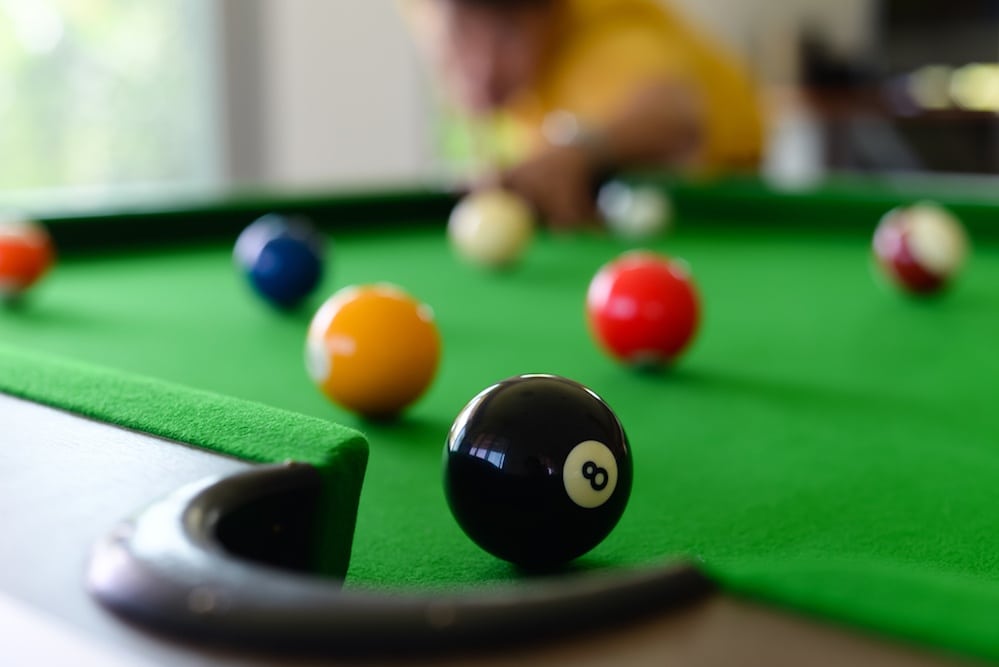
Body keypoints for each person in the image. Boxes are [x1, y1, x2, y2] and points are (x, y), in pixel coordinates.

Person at [402, 0, 764, 227]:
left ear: (553, 13)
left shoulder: (600, 38)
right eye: (462, 29)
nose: (483, 67)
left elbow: (676, 115)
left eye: (508, 34)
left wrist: (576, 150)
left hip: (733, 206)